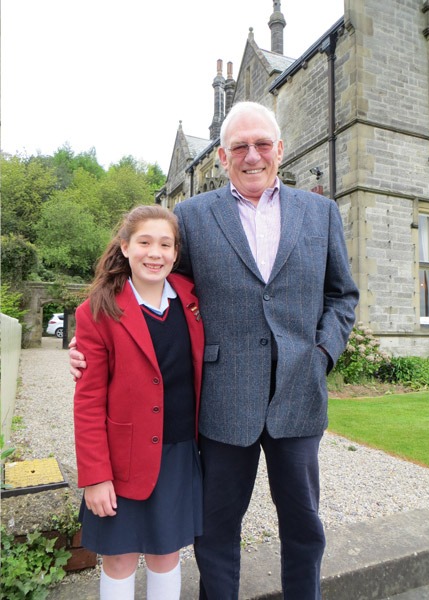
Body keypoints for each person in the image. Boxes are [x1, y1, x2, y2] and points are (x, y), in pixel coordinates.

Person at [71, 101, 359, 599]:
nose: (252, 155)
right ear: (223, 157)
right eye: (239, 147)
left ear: (280, 150)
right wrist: (92, 339)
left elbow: (342, 296)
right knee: (217, 531)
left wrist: (323, 353)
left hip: (299, 396)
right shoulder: (192, 217)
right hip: (224, 402)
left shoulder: (322, 213)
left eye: (262, 144)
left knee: (304, 527)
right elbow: (156, 286)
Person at [72, 205, 204, 600]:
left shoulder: (193, 299)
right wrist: (95, 475)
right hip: (121, 457)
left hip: (178, 451)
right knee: (119, 558)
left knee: (167, 553)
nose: (155, 253)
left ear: (176, 254)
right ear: (125, 247)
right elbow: (89, 401)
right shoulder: (97, 310)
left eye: (166, 244)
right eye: (144, 242)